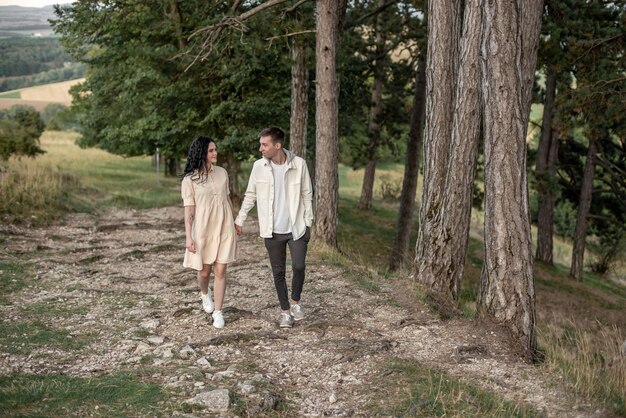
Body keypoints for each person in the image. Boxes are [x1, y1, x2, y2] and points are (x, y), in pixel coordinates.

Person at [235, 127, 313, 328]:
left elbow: (307, 194)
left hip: (296, 228)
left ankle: (296, 302)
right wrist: (240, 219)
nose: (260, 148)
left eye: (264, 144)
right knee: (278, 272)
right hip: (272, 230)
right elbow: (250, 195)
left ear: (277, 146)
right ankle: (285, 312)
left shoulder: (299, 164)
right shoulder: (258, 167)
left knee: (298, 266)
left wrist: (308, 222)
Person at [181, 136, 237, 329]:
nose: (215, 153)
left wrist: (235, 220)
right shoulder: (190, 180)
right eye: (211, 150)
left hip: (224, 226)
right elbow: (189, 211)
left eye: (215, 149)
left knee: (221, 269)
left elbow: (227, 199)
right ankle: (205, 293)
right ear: (202, 153)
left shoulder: (222, 173)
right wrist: (189, 237)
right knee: (204, 272)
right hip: (203, 228)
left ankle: (219, 312)